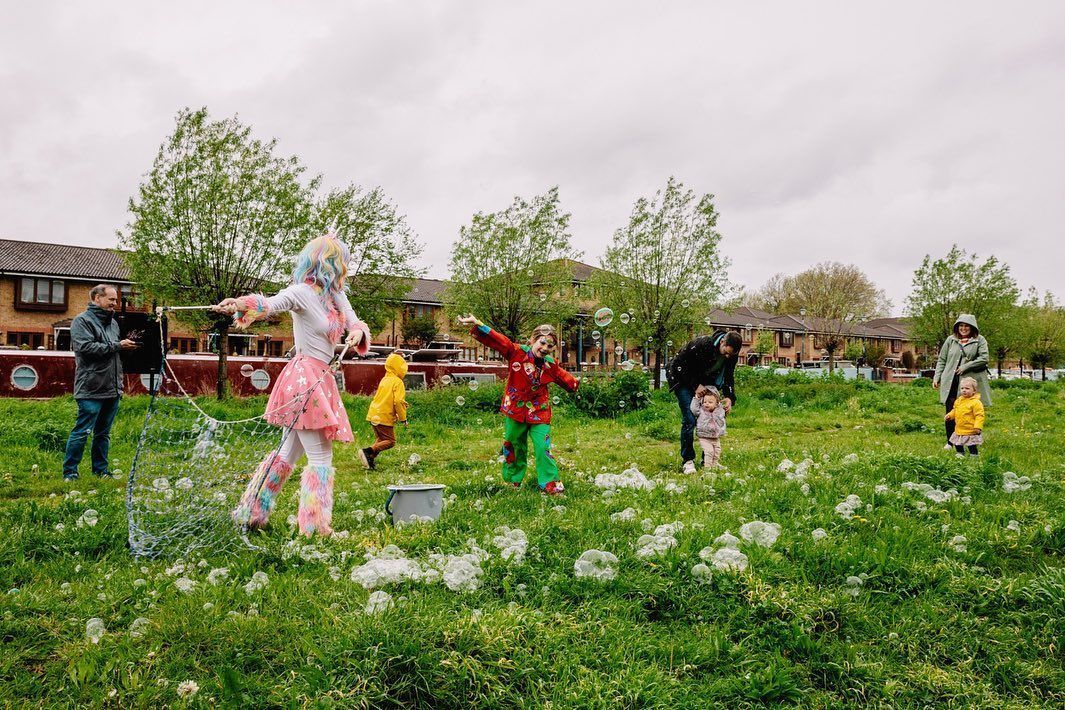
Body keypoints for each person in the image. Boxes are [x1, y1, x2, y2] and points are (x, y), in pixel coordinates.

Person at [215, 233, 372, 537]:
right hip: (305, 379)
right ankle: (314, 527)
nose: (345, 269)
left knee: (288, 452)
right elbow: (271, 303)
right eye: (343, 263)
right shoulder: (301, 292)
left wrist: (356, 332)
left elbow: (355, 321)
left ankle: (251, 512)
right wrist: (240, 304)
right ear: (330, 264)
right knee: (321, 455)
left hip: (320, 377)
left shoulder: (336, 297)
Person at [457, 315, 578, 495]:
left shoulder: (551, 365)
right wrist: (479, 325)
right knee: (513, 446)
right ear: (532, 340)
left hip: (539, 413)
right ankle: (513, 481)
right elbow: (500, 341)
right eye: (542, 343)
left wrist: (575, 384)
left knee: (543, 448)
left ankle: (550, 484)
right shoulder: (516, 352)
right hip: (515, 410)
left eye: (550, 346)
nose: (545, 348)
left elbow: (564, 378)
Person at [62, 284, 139, 480]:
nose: (115, 303)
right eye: (111, 299)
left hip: (112, 388)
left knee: (103, 434)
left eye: (116, 300)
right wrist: (117, 345)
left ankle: (101, 471)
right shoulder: (81, 321)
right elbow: (85, 348)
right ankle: (70, 472)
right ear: (97, 298)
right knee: (82, 431)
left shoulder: (113, 323)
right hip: (90, 387)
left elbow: (112, 352)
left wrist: (124, 349)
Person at [666, 330, 742, 474]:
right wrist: (695, 385)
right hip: (682, 380)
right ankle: (688, 461)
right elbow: (678, 365)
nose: (728, 356)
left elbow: (728, 375)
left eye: (731, 355)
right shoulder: (702, 345)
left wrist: (729, 397)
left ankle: (708, 460)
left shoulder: (732, 355)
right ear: (722, 342)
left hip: (705, 383)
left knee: (710, 417)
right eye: (726, 352)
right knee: (689, 418)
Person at [933, 314, 991, 450]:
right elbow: (942, 360)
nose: (963, 328)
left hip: (968, 383)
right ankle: (950, 441)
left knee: (969, 412)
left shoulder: (979, 340)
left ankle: (971, 442)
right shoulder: (950, 340)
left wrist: (966, 366)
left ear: (972, 327)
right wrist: (937, 377)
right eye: (961, 326)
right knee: (952, 410)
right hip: (951, 381)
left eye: (966, 326)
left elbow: (984, 358)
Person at [360, 352, 409, 470]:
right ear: (399, 368)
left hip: (374, 413)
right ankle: (368, 451)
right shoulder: (398, 382)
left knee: (381, 439)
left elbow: (387, 398)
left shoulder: (385, 379)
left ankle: (369, 459)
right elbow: (397, 401)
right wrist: (403, 418)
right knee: (390, 441)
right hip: (383, 416)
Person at [689, 386, 728, 469]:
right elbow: (693, 409)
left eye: (710, 402)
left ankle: (714, 466)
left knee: (717, 452)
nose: (706, 404)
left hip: (715, 436)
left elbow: (723, 415)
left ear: (716, 404)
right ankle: (707, 468)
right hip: (704, 436)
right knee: (709, 452)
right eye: (705, 401)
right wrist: (696, 398)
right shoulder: (701, 411)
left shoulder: (719, 411)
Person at [944, 376, 984, 456]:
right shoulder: (959, 401)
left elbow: (979, 415)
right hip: (959, 427)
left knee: (971, 443)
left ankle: (974, 454)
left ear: (974, 391)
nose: (964, 390)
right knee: (957, 442)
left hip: (970, 429)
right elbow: (955, 410)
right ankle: (960, 453)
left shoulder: (976, 403)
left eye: (967, 388)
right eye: (962, 388)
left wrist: (978, 426)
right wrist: (949, 415)